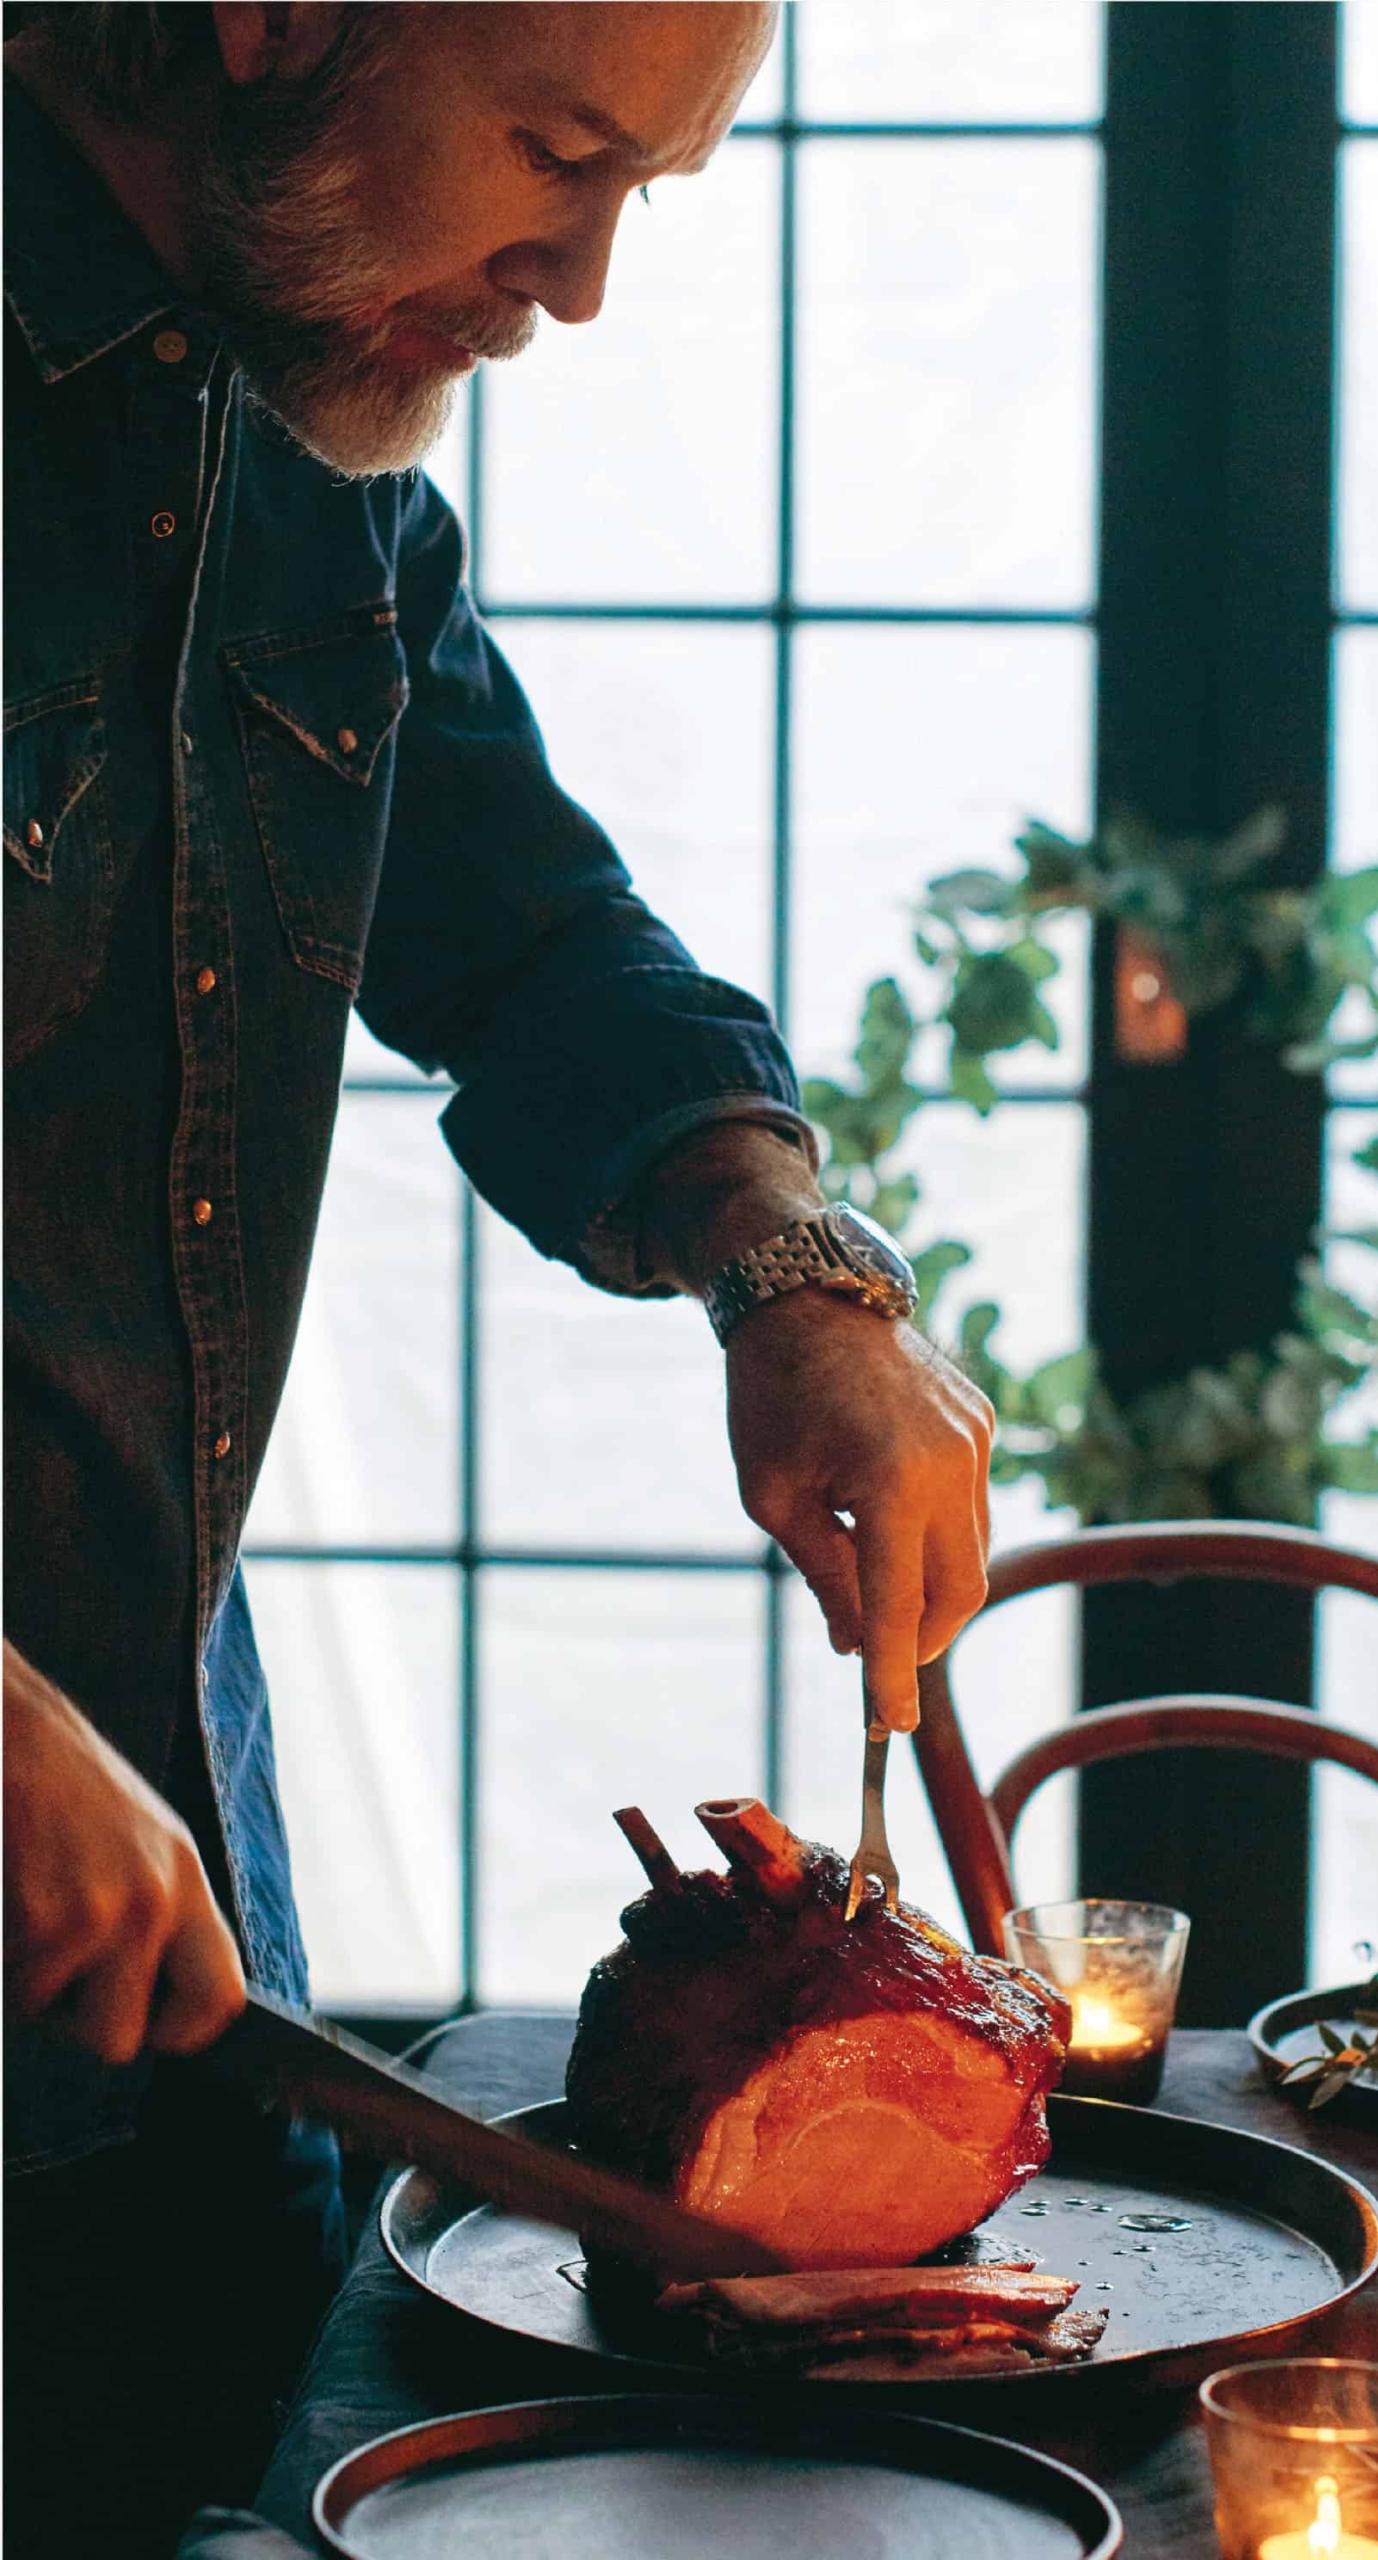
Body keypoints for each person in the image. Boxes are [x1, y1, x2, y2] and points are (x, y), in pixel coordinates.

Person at [2, 7, 994, 2549]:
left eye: (641, 191)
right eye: (559, 158)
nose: (574, 286)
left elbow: (535, 933)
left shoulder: (292, 421)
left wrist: (794, 1272)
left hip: (160, 1848)